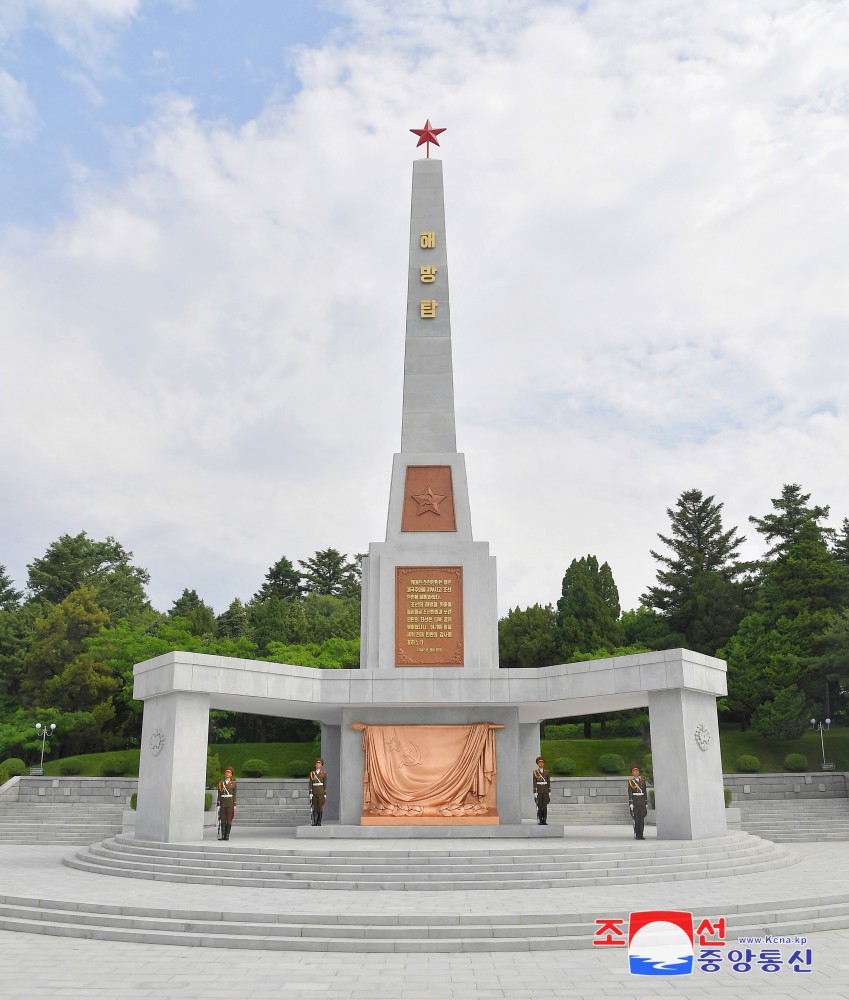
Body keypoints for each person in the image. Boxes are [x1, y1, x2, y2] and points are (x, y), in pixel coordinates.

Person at [628, 765, 648, 840]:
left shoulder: (642, 781)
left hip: (642, 801)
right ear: (632, 773)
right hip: (635, 801)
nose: (636, 772)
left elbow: (645, 792)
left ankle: (641, 834)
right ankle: (637, 834)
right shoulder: (631, 782)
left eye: (637, 771)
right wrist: (630, 803)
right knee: (636, 819)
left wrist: (646, 802)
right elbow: (630, 792)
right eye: (634, 771)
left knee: (642, 819)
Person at [217, 766, 237, 841]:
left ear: (231, 775)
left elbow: (234, 794)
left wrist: (234, 804)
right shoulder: (221, 783)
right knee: (223, 819)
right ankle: (222, 835)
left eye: (229, 773)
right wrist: (218, 804)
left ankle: (227, 835)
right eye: (226, 773)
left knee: (229, 819)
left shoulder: (233, 783)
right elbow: (219, 794)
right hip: (222, 803)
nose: (227, 774)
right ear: (224, 774)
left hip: (230, 803)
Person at [309, 758, 328, 826]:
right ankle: (315, 821)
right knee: (315, 807)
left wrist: (325, 793)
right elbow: (310, 783)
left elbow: (325, 784)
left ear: (321, 765)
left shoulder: (323, 773)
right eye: (317, 763)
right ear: (315, 764)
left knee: (320, 807)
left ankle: (319, 821)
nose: (318, 764)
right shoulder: (312, 773)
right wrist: (310, 792)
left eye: (319, 763)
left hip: (321, 792)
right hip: (314, 792)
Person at [532, 756, 551, 826]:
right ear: (537, 764)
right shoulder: (535, 772)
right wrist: (535, 791)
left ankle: (544, 820)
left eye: (542, 763)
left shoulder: (546, 772)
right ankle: (540, 819)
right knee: (539, 806)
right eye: (539, 763)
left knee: (545, 806)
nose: (541, 764)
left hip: (545, 791)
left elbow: (548, 781)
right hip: (539, 791)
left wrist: (549, 790)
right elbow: (534, 782)